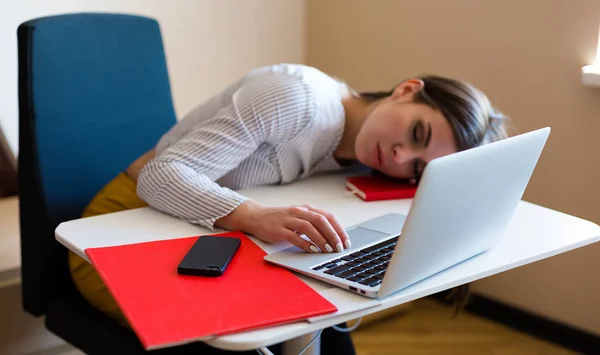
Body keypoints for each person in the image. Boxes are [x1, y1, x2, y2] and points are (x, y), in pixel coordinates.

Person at [68, 63, 509, 354]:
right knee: (254, 344)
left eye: (416, 168)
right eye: (416, 134)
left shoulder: (363, 153)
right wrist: (252, 215)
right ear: (408, 90)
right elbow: (160, 176)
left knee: (332, 338)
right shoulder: (295, 99)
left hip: (206, 240)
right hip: (118, 233)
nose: (396, 158)